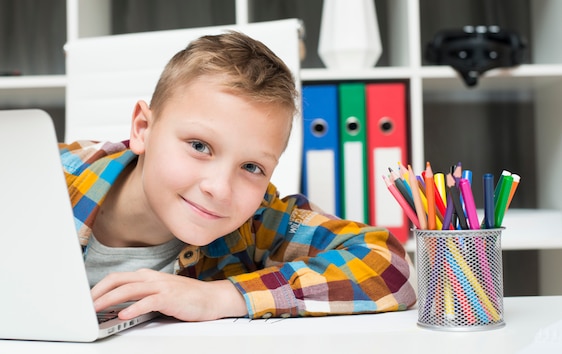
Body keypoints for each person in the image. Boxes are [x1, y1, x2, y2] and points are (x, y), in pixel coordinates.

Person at [59, 31, 416, 322]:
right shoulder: (51, 175)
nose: (219, 189)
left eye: (252, 168)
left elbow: (390, 268)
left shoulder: (257, 221)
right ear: (143, 129)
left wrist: (223, 297)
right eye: (199, 146)